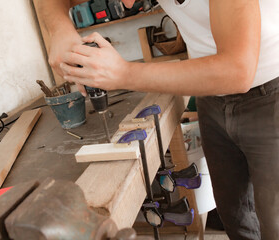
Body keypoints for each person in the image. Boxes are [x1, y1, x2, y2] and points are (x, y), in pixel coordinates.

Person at [37, 0, 279, 239]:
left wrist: (124, 73)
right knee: (236, 217)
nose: (126, 3)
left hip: (270, 93)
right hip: (212, 98)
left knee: (274, 220)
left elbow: (236, 71)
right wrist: (60, 31)